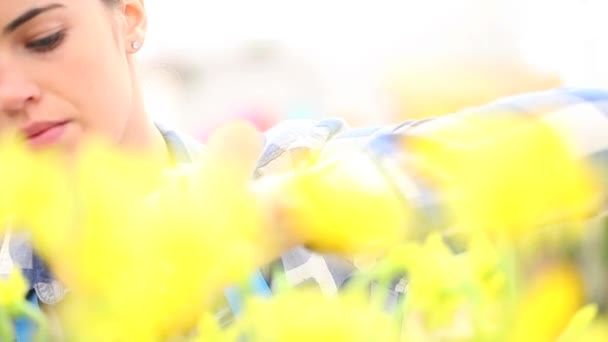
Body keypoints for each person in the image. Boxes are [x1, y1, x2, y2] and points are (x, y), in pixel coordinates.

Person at [1, 0, 607, 340]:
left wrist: (287, 212)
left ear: (127, 19)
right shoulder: (16, 303)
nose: (8, 91)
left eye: (44, 38)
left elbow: (592, 128)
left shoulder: (297, 184)